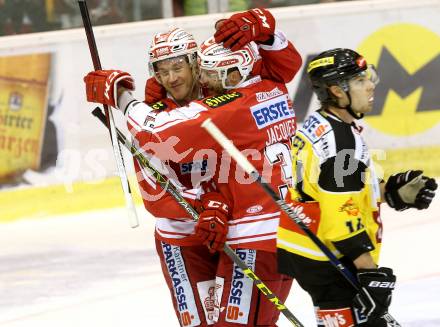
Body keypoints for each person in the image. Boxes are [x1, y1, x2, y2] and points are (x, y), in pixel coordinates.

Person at [84, 32, 300, 325]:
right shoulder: (155, 114)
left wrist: (122, 97)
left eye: (177, 67)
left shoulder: (217, 100)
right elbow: (155, 193)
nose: (171, 78)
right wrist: (207, 204)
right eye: (162, 70)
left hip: (236, 233)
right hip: (185, 240)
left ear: (196, 64)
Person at [276, 48, 438, 326]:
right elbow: (341, 215)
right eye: (360, 80)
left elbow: (330, 187)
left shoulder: (322, 124)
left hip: (308, 249)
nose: (370, 85)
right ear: (337, 91)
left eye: (368, 77)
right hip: (330, 257)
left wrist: (388, 191)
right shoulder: (342, 144)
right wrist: (368, 273)